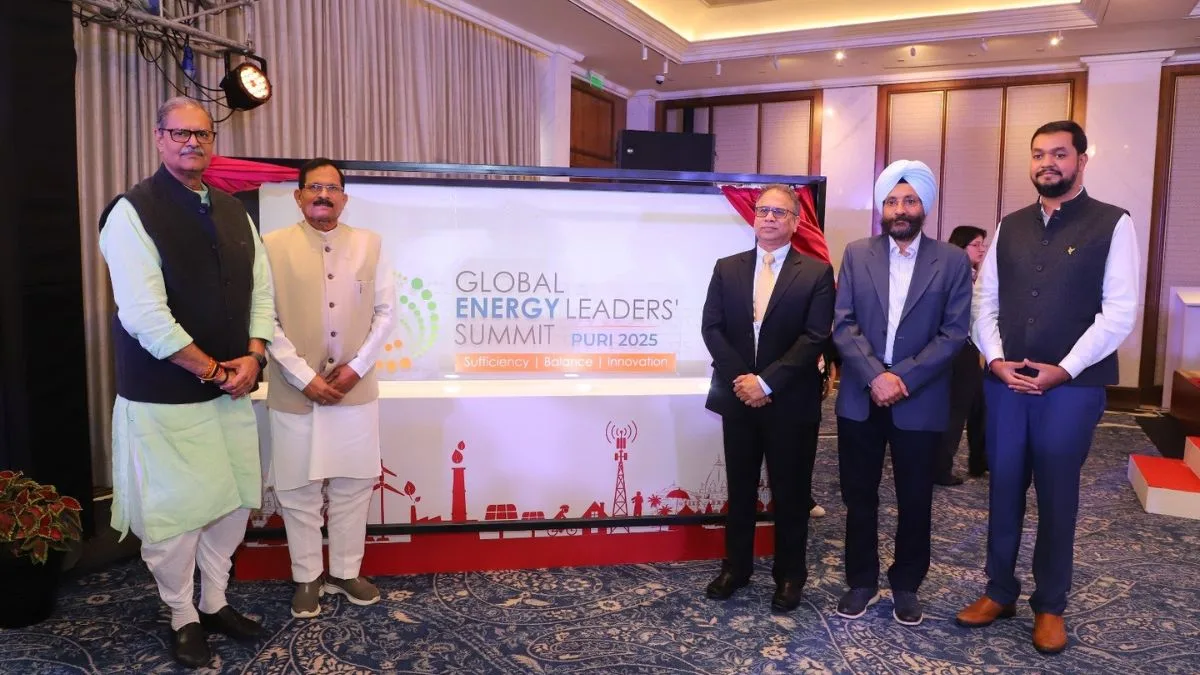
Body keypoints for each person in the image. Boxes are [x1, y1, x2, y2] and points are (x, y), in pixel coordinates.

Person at [98, 96, 273, 669]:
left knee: (232, 503)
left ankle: (214, 602)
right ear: (158, 138)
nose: (192, 143)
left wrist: (254, 355)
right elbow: (145, 316)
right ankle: (182, 615)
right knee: (174, 519)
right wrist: (214, 370)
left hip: (232, 390)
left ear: (212, 142)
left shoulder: (234, 210)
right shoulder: (131, 213)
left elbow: (262, 292)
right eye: (180, 133)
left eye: (202, 134)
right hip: (166, 399)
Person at [956, 120, 1139, 654]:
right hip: (1006, 384)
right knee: (1003, 489)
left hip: (1071, 389)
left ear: (1081, 160)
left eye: (1059, 154)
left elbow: (1119, 313)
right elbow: (984, 302)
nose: (1047, 163)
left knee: (1058, 496)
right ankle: (999, 591)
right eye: (1038, 154)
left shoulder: (1113, 223)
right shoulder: (1009, 225)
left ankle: (1051, 604)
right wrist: (994, 360)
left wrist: (1067, 368)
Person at [831, 160, 972, 626]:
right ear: (882, 208)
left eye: (909, 200)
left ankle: (907, 584)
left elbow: (954, 333)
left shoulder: (951, 261)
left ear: (924, 206)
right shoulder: (856, 253)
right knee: (859, 495)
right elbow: (843, 324)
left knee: (916, 498)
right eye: (892, 201)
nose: (900, 209)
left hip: (920, 396)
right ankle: (861, 580)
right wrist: (876, 375)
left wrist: (902, 377)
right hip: (861, 394)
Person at [263, 157, 395, 618]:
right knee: (298, 490)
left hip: (353, 389)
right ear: (298, 195)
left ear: (344, 197)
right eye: (314, 187)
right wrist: (304, 376)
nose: (323, 195)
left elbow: (386, 313)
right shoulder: (271, 246)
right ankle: (306, 577)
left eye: (332, 187)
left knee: (353, 486)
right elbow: (264, 319)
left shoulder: (370, 244)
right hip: (294, 390)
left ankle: (344, 571)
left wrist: (358, 367)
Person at [701, 184, 835, 612]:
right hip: (738, 397)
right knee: (740, 489)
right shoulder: (728, 268)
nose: (769, 218)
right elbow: (711, 328)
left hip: (790, 402)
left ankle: (790, 575)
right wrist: (745, 380)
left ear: (795, 222)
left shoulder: (815, 272)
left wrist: (767, 382)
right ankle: (736, 568)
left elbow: (815, 337)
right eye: (763, 211)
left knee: (790, 494)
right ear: (754, 218)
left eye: (780, 212)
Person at [934, 225, 989, 485]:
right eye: (975, 244)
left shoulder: (973, 275)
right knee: (957, 410)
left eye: (983, 244)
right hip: (958, 348)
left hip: (968, 348)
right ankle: (940, 468)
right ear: (960, 246)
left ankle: (979, 462)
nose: (982, 249)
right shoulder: (955, 276)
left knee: (979, 405)